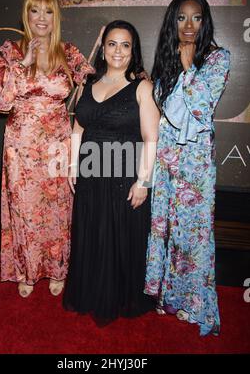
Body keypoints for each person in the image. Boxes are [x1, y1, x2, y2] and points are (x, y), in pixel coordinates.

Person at [0, 0, 94, 297]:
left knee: (57, 210)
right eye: (35, 12)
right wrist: (21, 64)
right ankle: (27, 271)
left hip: (58, 141)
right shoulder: (10, 53)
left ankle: (57, 269)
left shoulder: (68, 52)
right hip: (22, 145)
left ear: (57, 17)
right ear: (26, 16)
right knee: (26, 210)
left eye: (48, 12)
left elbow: (98, 81)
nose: (41, 19)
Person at [144, 0, 230, 336]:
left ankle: (192, 302)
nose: (189, 25)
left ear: (205, 20)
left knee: (192, 232)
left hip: (195, 162)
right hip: (167, 156)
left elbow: (200, 106)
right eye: (182, 17)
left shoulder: (219, 59)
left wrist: (186, 63)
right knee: (164, 226)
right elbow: (163, 108)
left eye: (196, 17)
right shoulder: (165, 59)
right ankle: (167, 295)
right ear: (173, 22)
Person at [63, 20, 160, 325]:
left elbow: (151, 138)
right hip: (91, 176)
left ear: (134, 51)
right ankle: (92, 291)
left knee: (119, 238)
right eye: (112, 44)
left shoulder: (143, 87)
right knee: (93, 235)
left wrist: (144, 181)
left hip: (124, 178)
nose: (118, 51)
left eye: (125, 45)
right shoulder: (89, 85)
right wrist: (72, 164)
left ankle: (120, 295)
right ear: (103, 49)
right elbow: (78, 128)